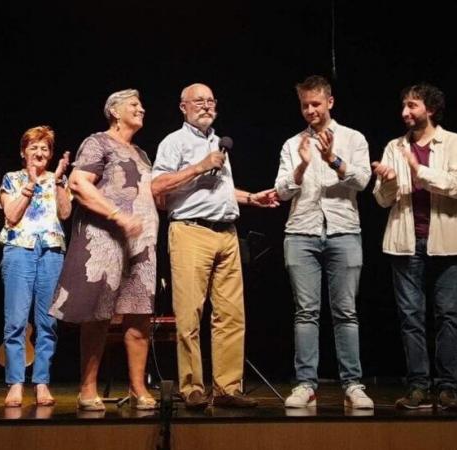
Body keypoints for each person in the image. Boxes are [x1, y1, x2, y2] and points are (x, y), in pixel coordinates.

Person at [151, 83, 279, 409]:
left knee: (232, 316)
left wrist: (251, 198)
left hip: (227, 233)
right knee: (190, 315)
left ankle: (228, 388)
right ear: (183, 107)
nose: (206, 106)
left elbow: (220, 192)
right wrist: (197, 167)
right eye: (199, 102)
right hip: (191, 232)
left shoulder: (217, 145)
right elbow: (157, 186)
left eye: (210, 101)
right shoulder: (174, 142)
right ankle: (192, 387)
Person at [49, 89, 159, 411]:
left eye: (141, 103)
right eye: (133, 105)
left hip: (141, 246)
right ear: (114, 111)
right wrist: (117, 215)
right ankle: (87, 389)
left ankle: (139, 389)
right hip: (105, 241)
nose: (141, 108)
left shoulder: (141, 153)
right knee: (98, 316)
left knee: (139, 316)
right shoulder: (98, 142)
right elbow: (79, 183)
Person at [373, 84, 457, 410]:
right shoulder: (394, 147)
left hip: (446, 242)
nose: (405, 112)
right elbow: (381, 199)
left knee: (448, 316)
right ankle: (418, 386)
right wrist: (387, 181)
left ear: (429, 109)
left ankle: (447, 388)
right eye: (403, 106)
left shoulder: (454, 142)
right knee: (410, 316)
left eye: (412, 106)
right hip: (405, 242)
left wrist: (420, 171)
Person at [274, 75, 373, 409]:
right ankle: (306, 384)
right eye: (305, 105)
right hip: (302, 232)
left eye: (316, 104)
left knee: (346, 312)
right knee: (306, 313)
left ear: (330, 102)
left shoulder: (353, 138)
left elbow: (361, 181)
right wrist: (302, 165)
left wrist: (333, 159)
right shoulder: (292, 144)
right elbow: (282, 190)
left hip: (344, 231)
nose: (310, 110)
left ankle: (353, 384)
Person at [0, 126, 72, 407]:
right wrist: (30, 183)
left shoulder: (57, 179)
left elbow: (65, 213)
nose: (40, 153)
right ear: (23, 152)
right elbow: (12, 215)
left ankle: (42, 382)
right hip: (19, 248)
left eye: (45, 148)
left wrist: (62, 182)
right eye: (34, 148)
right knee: (16, 320)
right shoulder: (11, 179)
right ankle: (15, 383)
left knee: (47, 322)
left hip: (51, 250)